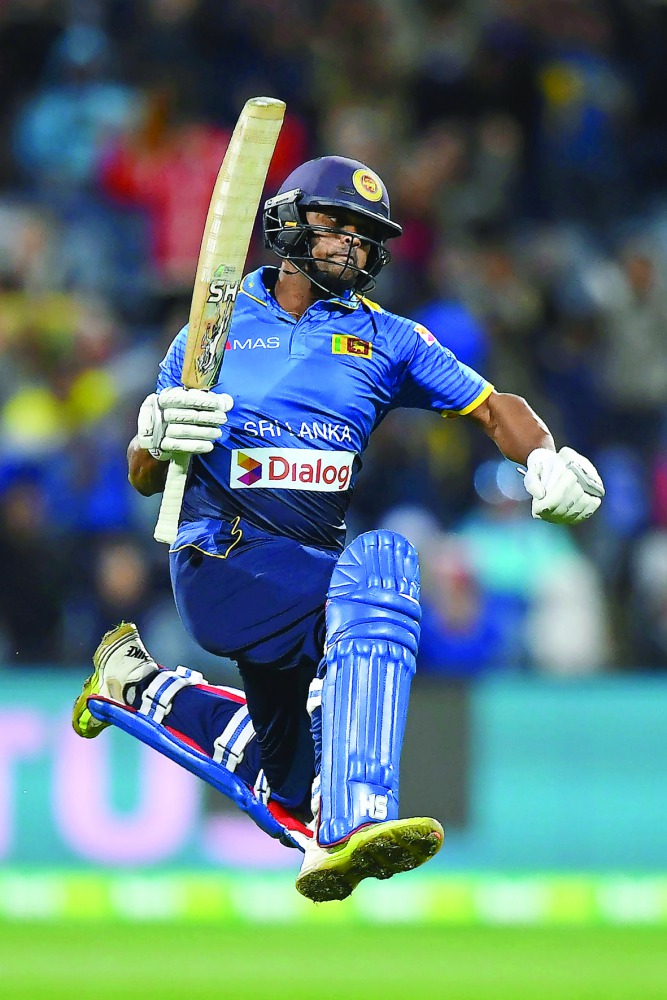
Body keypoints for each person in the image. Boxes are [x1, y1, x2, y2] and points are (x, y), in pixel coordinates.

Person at [72, 155, 604, 902]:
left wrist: (543, 456)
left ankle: (135, 686)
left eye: (367, 234)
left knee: (285, 788)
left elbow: (492, 405)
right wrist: (156, 439)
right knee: (382, 566)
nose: (353, 244)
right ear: (291, 224)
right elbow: (142, 473)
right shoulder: (212, 330)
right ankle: (354, 816)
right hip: (221, 558)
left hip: (305, 576)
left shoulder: (389, 341)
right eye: (338, 226)